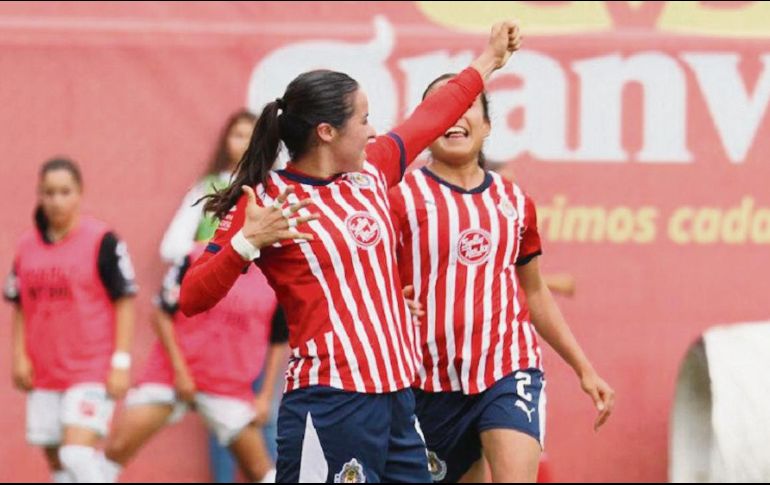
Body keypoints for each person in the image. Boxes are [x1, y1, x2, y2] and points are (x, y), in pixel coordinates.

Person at [178, 21, 522, 483]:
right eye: (362, 120)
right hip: (332, 402)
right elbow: (192, 296)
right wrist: (245, 245)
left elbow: (430, 117)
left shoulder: (372, 172)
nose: (373, 128)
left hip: (398, 396)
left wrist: (489, 61)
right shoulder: (265, 200)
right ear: (326, 132)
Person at [388, 73, 615, 482]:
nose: (453, 116)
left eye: (466, 106)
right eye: (439, 108)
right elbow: (362, 280)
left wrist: (585, 369)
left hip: (508, 367)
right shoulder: (399, 198)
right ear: (423, 125)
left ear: (488, 126)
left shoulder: (513, 202)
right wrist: (389, 301)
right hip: (428, 381)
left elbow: (536, 292)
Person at [100, 242, 287, 483]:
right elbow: (160, 314)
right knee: (116, 450)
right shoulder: (195, 257)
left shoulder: (275, 275)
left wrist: (265, 397)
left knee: (261, 472)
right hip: (170, 378)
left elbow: (278, 340)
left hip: (229, 388)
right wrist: (181, 372)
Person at [4, 158, 137, 483]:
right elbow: (20, 304)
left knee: (76, 455)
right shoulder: (26, 245)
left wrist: (120, 362)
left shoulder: (103, 241)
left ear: (80, 193)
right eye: (49, 193)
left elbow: (125, 301)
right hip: (44, 372)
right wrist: (19, 356)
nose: (57, 200)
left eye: (65, 192)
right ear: (39, 195)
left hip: (90, 369)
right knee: (61, 471)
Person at [160, 110, 257, 264]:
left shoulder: (265, 191)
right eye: (239, 135)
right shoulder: (207, 187)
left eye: (252, 138)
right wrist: (205, 252)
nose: (245, 144)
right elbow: (171, 246)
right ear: (226, 139)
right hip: (204, 270)